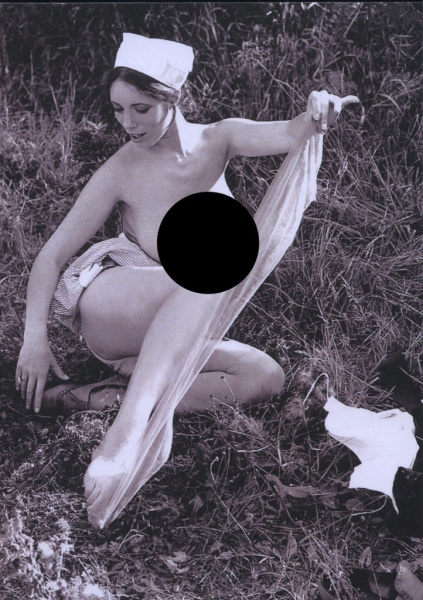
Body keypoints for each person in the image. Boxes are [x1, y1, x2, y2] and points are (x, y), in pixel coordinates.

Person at [15, 33, 358, 523]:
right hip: (114, 301)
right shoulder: (121, 169)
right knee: (209, 271)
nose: (127, 123)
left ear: (172, 98)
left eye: (140, 109)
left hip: (175, 318)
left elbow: (294, 131)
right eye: (118, 110)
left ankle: (96, 397)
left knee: (265, 377)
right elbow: (50, 257)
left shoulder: (220, 139)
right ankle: (126, 433)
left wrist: (319, 108)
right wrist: (35, 338)